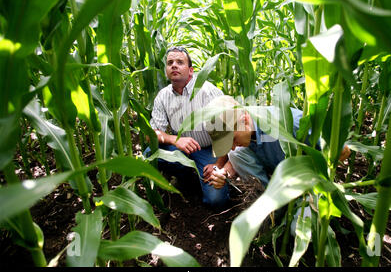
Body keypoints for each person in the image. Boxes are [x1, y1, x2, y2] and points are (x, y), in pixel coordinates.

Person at [203, 95, 351, 189]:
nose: (232, 146)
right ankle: (268, 203)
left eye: (233, 139)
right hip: (278, 178)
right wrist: (224, 174)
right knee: (236, 154)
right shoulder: (247, 130)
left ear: (245, 119)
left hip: (305, 182)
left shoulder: (289, 123)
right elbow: (240, 155)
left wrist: (310, 172)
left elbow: (343, 151)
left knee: (296, 230)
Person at [145, 46, 229, 208]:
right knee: (151, 154)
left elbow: (227, 134)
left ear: (190, 71)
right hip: (183, 150)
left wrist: (218, 165)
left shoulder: (208, 92)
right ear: (166, 70)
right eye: (170, 63)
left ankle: (204, 178)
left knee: (216, 200)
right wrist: (175, 140)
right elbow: (150, 135)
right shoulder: (163, 96)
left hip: (211, 150)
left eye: (179, 62)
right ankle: (188, 177)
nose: (174, 65)